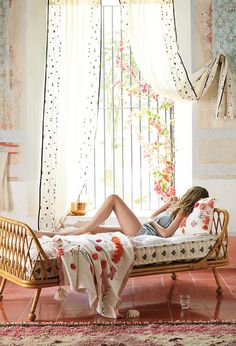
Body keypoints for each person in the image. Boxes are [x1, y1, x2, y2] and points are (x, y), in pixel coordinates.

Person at [35, 186, 209, 238]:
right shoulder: (176, 208)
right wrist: (166, 205)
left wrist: (152, 223)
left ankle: (72, 231)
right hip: (143, 228)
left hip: (142, 232)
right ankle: (48, 234)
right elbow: (154, 215)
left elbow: (165, 234)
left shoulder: (183, 213)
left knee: (113, 198)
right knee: (92, 230)